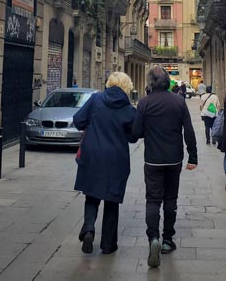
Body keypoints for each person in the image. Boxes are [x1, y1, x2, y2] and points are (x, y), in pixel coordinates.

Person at [131, 66, 197, 269]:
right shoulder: (179, 101)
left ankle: (153, 238)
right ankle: (168, 240)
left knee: (152, 200)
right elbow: (189, 130)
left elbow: (135, 134)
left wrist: (148, 131)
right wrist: (193, 156)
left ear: (150, 83)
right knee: (170, 199)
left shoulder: (144, 103)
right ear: (168, 82)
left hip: (152, 160)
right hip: (174, 160)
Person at [73, 71, 136, 255]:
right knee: (111, 199)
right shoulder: (129, 109)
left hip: (93, 154)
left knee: (91, 194)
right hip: (116, 157)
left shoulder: (95, 99)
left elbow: (78, 121)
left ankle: (89, 229)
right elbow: (132, 137)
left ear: (109, 83)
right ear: (126, 87)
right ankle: (108, 245)